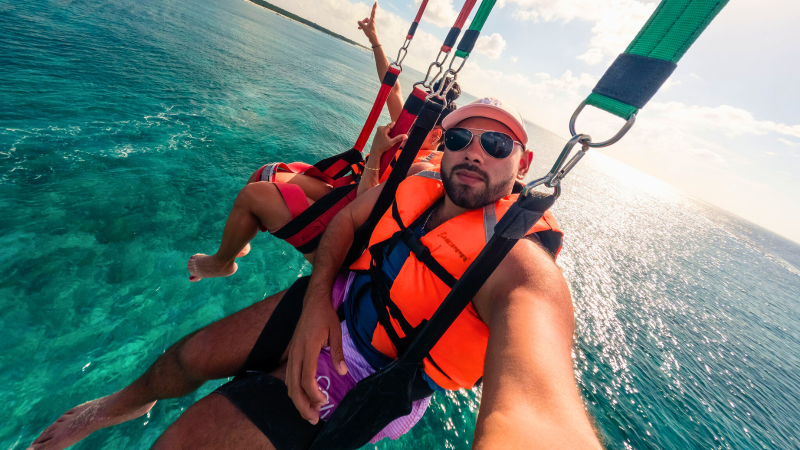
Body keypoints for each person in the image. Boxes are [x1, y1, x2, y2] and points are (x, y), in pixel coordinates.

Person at [30, 98, 600, 450]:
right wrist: (317, 304)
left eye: (496, 143)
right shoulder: (414, 188)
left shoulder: (519, 263)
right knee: (185, 359)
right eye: (459, 138)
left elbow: (536, 407)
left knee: (185, 442)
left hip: (377, 374)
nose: (474, 151)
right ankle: (121, 404)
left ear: (523, 164)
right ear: (444, 148)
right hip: (334, 302)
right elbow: (345, 227)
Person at [187, 3, 460, 281]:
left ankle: (222, 263)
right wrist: (374, 38)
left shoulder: (422, 168)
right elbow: (392, 86)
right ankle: (242, 236)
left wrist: (376, 153)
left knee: (252, 196)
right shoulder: (410, 133)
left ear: (437, 134)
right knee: (265, 173)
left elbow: (367, 210)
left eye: (416, 119)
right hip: (344, 195)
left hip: (346, 233)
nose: (406, 119)